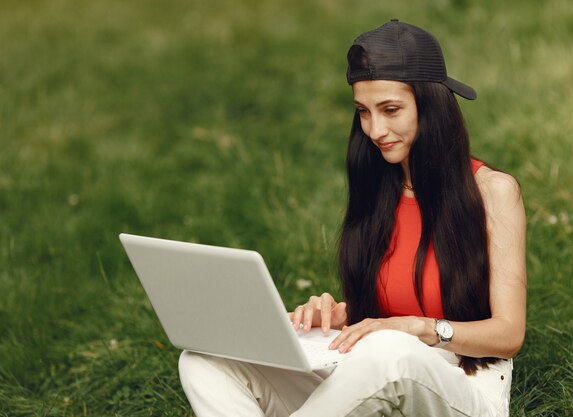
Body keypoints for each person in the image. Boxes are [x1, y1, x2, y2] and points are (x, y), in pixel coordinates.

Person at [178, 19, 526, 417]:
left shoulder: (493, 191)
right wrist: (336, 317)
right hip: (373, 373)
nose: (376, 130)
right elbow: (384, 313)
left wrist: (421, 328)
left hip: (462, 387)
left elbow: (509, 334)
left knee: (389, 349)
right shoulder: (379, 185)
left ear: (430, 105)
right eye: (364, 112)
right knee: (203, 360)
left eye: (391, 109)